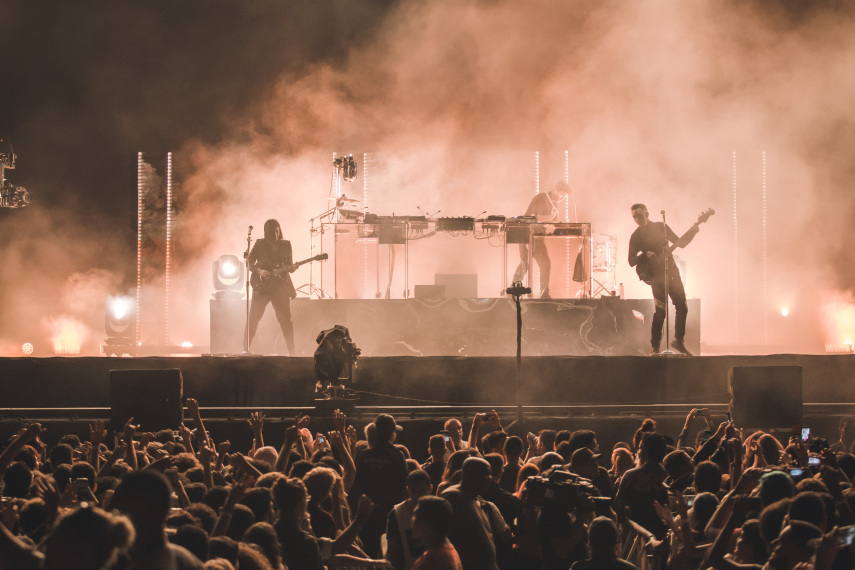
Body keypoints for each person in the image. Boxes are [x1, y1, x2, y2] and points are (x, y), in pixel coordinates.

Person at [627, 203, 699, 355]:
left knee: (682, 307)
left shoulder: (662, 227)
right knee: (660, 312)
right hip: (656, 277)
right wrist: (645, 253)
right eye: (634, 217)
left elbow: (682, 243)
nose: (637, 219)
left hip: (672, 271)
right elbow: (631, 261)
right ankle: (655, 348)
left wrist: (693, 231)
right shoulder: (636, 236)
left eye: (639, 215)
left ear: (647, 213)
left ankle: (678, 340)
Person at [512, 180, 571, 299]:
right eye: (562, 195)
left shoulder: (555, 203)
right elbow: (533, 217)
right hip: (526, 234)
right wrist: (550, 217)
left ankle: (544, 294)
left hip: (538, 237)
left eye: (565, 196)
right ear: (555, 189)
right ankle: (514, 291)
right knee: (525, 263)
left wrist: (555, 222)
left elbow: (551, 221)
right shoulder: (541, 198)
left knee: (545, 264)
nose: (563, 198)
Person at [247, 219, 296, 355]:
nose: (275, 233)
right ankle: (245, 349)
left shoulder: (286, 245)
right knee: (253, 318)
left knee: (285, 320)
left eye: (277, 230)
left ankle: (292, 352)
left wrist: (293, 268)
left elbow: (289, 266)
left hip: (280, 286)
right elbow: (249, 262)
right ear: (266, 232)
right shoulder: (259, 244)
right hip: (262, 286)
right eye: (272, 231)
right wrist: (259, 271)